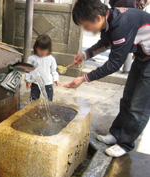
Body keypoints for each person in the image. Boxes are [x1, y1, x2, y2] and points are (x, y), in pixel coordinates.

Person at [64, 0, 150, 157]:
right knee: (127, 99)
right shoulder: (110, 19)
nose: (85, 29)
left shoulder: (121, 26)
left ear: (98, 18)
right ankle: (116, 134)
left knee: (139, 106)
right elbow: (105, 43)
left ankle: (125, 144)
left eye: (85, 25)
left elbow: (114, 64)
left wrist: (84, 78)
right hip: (142, 57)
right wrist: (85, 54)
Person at [25, 34, 60, 101]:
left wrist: (56, 79)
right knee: (34, 99)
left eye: (45, 50)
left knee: (49, 100)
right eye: (40, 50)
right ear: (36, 48)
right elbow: (28, 70)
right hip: (35, 83)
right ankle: (33, 110)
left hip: (48, 83)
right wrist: (28, 80)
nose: (43, 52)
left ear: (49, 49)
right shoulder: (32, 58)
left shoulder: (51, 59)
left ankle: (48, 110)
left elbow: (53, 70)